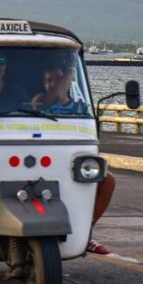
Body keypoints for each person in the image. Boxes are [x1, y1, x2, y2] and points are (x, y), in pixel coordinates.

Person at [32, 63, 114, 254]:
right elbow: (57, 95)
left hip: (67, 158)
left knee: (107, 181)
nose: (51, 84)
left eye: (56, 79)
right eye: (47, 80)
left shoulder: (79, 107)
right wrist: (70, 67)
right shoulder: (38, 102)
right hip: (41, 157)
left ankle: (85, 231)